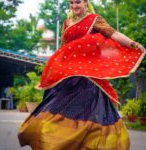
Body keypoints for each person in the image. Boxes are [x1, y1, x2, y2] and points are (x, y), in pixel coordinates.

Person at [18, 0, 145, 150]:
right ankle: (53, 141)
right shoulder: (67, 22)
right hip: (67, 77)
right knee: (57, 110)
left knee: (88, 112)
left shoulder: (94, 19)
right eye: (71, 3)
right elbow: (64, 48)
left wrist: (134, 44)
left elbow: (114, 33)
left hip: (88, 78)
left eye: (77, 2)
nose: (74, 6)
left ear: (85, 3)